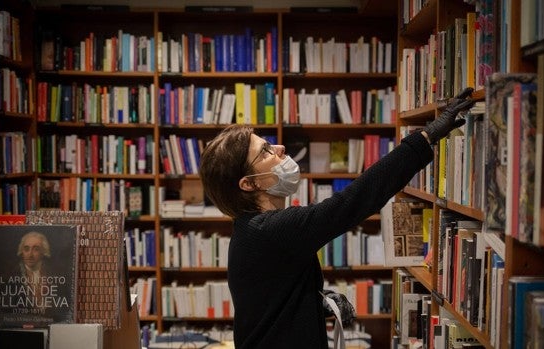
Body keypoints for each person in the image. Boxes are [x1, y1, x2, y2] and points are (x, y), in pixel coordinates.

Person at [199, 88, 475, 348]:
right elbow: (352, 201)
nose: (279, 148)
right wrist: (425, 138)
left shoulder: (252, 229)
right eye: (265, 151)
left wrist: (312, 302)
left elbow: (269, 300)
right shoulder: (271, 230)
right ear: (249, 184)